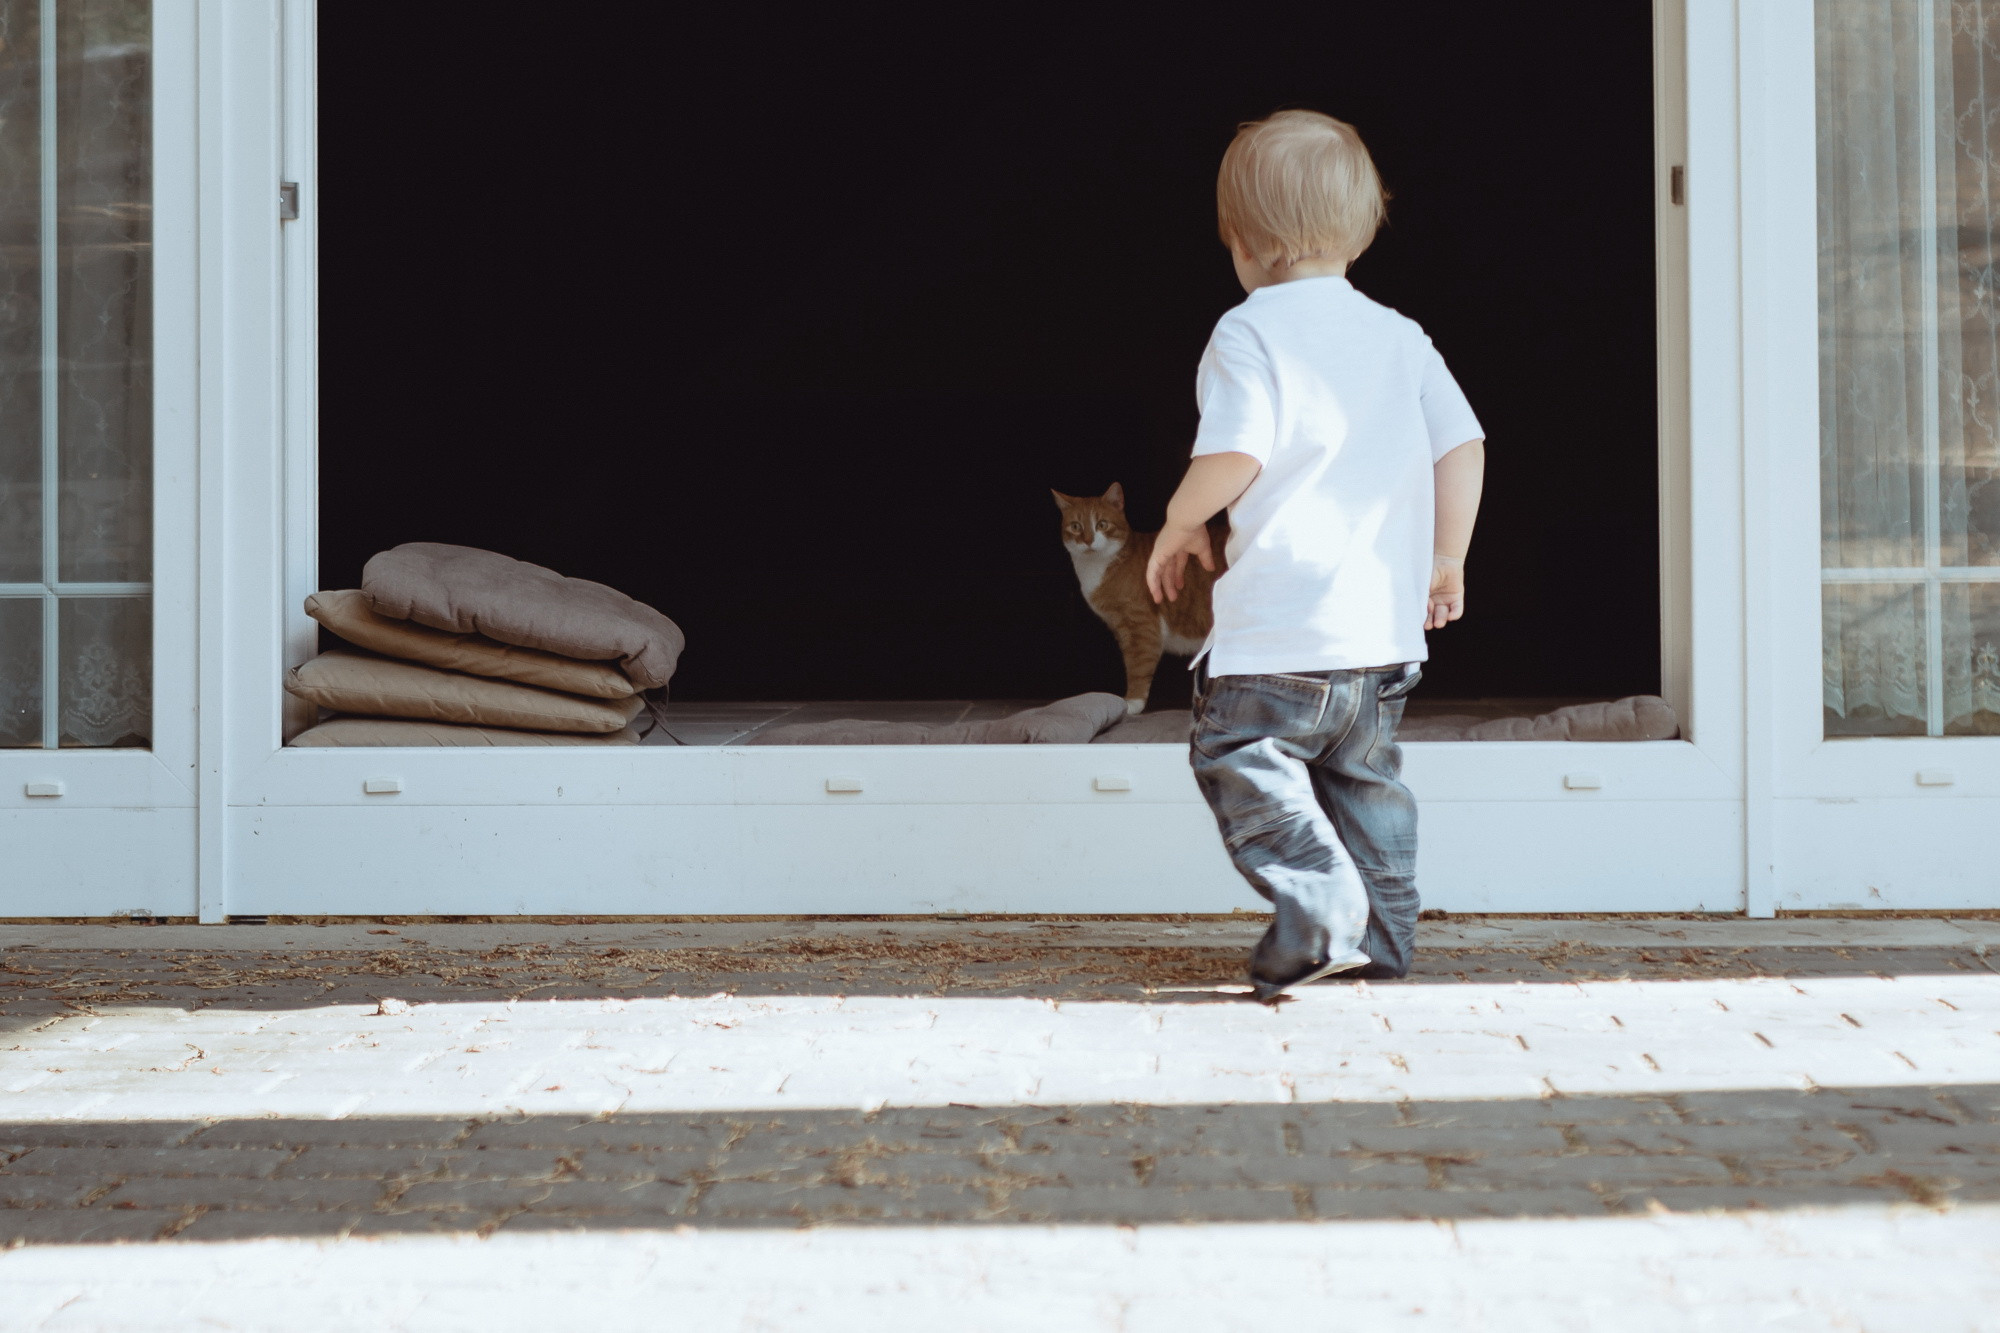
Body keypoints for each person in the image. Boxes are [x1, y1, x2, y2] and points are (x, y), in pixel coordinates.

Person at [1146, 109, 1485, 1003]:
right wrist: (1447, 555)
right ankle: (1383, 936)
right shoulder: (1400, 335)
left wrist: (1183, 519)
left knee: (1238, 750)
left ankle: (1319, 899)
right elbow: (1464, 446)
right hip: (1379, 640)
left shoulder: (1249, 330)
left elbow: (1236, 452)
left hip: (1282, 636)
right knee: (1364, 784)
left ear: (1251, 244)